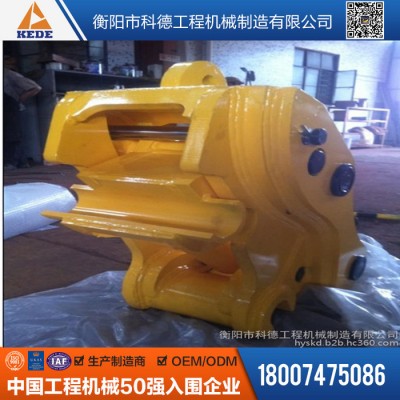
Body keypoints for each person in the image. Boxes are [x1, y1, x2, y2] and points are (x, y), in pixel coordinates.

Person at [3, 67, 42, 169]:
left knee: (12, 134)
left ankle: (12, 162)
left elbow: (35, 88)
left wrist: (18, 100)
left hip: (10, 107)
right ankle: (20, 162)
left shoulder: (8, 74)